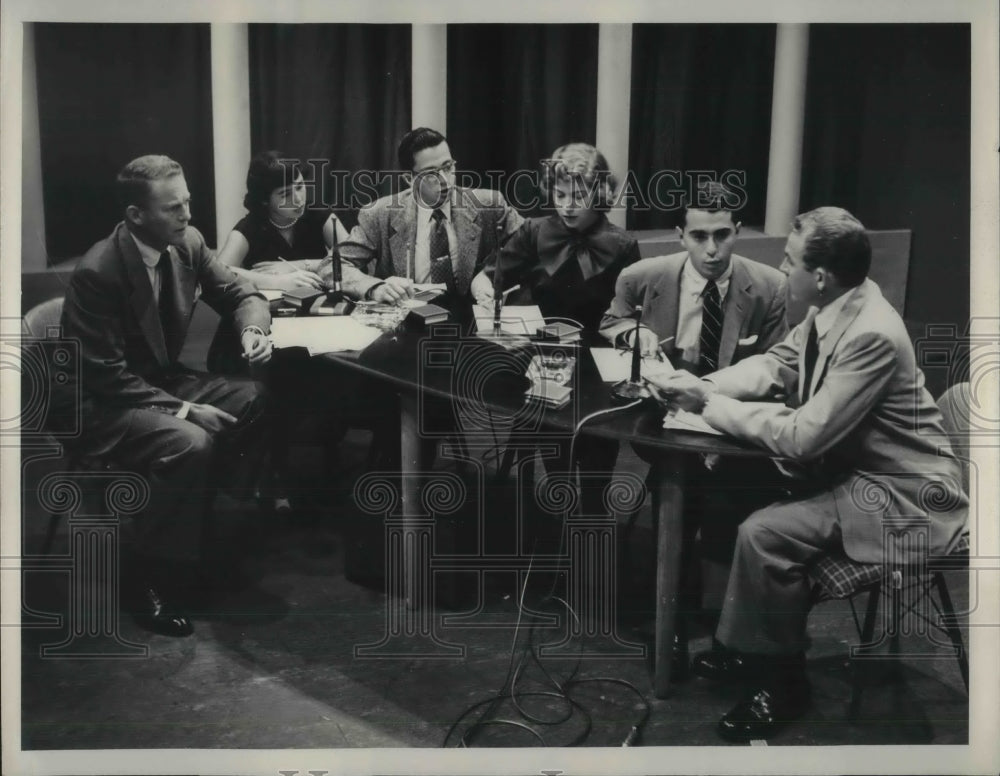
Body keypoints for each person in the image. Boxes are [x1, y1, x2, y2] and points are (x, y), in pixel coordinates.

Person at [648, 206, 968, 741]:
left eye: (791, 261)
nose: (785, 270)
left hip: (903, 495)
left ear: (818, 276)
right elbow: (777, 365)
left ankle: (784, 681)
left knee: (765, 532)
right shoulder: (835, 306)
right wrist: (701, 383)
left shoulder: (872, 334)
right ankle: (744, 649)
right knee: (731, 489)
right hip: (857, 472)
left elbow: (804, 437)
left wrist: (706, 405)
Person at [59, 154, 273, 638]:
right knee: (189, 441)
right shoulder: (100, 269)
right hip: (98, 402)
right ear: (136, 216)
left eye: (188, 203)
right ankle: (145, 576)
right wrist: (185, 408)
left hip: (156, 379)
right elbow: (103, 374)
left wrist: (252, 333)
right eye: (172, 208)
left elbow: (241, 295)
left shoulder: (187, 243)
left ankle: (192, 537)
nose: (187, 216)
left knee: (253, 399)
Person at [599, 185, 788, 673]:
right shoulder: (643, 276)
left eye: (722, 235)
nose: (711, 250)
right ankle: (673, 626)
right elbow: (610, 322)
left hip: (730, 422)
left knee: (733, 513)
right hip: (665, 424)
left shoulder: (769, 286)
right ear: (678, 235)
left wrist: (712, 397)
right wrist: (632, 334)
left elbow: (779, 370)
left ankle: (730, 635)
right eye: (698, 236)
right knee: (679, 500)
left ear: (737, 232)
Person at [475, 143, 641, 546]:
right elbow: (487, 275)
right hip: (547, 355)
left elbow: (632, 312)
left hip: (601, 361)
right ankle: (557, 531)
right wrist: (486, 294)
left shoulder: (622, 244)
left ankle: (594, 526)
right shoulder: (535, 231)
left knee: (598, 457)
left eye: (578, 196)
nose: (567, 206)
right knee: (558, 454)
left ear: (598, 193)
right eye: (560, 195)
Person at [207, 151, 351, 511]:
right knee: (278, 382)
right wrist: (268, 276)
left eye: (300, 188)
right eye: (284, 193)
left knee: (326, 375)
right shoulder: (249, 227)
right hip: (255, 332)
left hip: (312, 327)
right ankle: (273, 468)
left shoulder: (320, 218)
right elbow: (219, 270)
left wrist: (301, 264)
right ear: (263, 199)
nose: (297, 199)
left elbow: (353, 258)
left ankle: (313, 459)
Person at [339, 127, 523, 304]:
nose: (445, 180)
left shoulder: (488, 205)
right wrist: (375, 287)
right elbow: (335, 265)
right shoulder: (379, 215)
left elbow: (529, 243)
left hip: (470, 320)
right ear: (409, 179)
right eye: (431, 173)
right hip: (408, 322)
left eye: (448, 167)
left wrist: (488, 274)